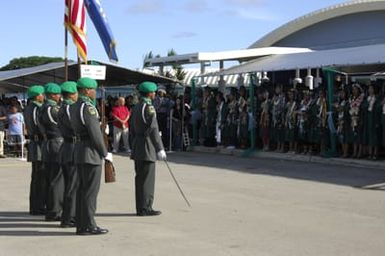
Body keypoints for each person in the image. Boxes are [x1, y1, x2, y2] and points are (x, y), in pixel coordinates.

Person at [70, 77, 110, 235]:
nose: (95, 92)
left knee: (81, 190)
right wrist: (105, 153)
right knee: (90, 191)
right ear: (87, 90)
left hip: (79, 150)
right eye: (93, 89)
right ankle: (89, 224)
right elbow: (95, 134)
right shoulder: (88, 108)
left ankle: (81, 224)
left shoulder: (74, 106)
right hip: (90, 152)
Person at [130, 81, 166, 216]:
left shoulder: (137, 106)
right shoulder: (149, 107)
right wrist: (159, 148)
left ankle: (140, 207)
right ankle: (146, 207)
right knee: (147, 179)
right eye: (154, 92)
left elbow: (132, 128)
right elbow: (153, 129)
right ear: (150, 93)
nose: (155, 94)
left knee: (140, 178)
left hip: (138, 144)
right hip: (147, 145)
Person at [39, 83, 64, 221]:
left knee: (51, 178)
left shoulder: (42, 107)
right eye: (58, 94)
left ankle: (51, 208)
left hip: (48, 143)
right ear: (53, 95)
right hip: (56, 143)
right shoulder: (52, 108)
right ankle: (55, 211)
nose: (60, 96)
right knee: (57, 179)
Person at [58, 81, 78, 228]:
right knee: (73, 185)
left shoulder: (62, 107)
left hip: (67, 146)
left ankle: (69, 215)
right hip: (72, 147)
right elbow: (75, 127)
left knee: (69, 184)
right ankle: (69, 217)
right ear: (72, 94)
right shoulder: (70, 108)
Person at [23, 85, 47, 215]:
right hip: (39, 144)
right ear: (37, 95)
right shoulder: (36, 108)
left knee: (37, 177)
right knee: (40, 176)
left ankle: (35, 206)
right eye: (42, 94)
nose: (43, 96)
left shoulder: (28, 107)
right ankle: (38, 206)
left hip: (35, 142)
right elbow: (39, 125)